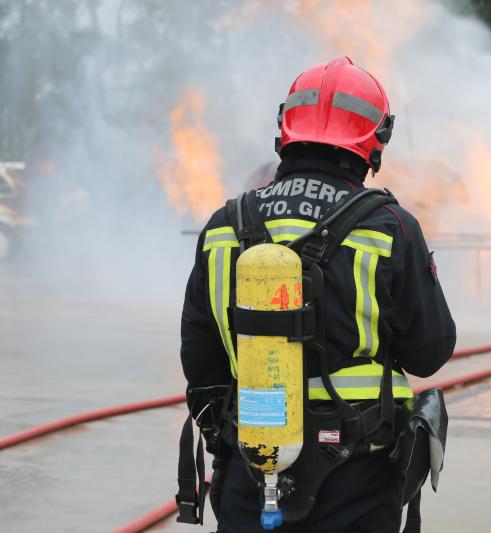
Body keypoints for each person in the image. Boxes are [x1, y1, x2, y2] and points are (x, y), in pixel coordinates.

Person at [178, 56, 457, 533]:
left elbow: (201, 362)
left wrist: (228, 444)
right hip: (359, 481)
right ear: (374, 143)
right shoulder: (392, 228)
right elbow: (430, 351)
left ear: (285, 131)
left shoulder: (225, 225)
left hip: (254, 470)